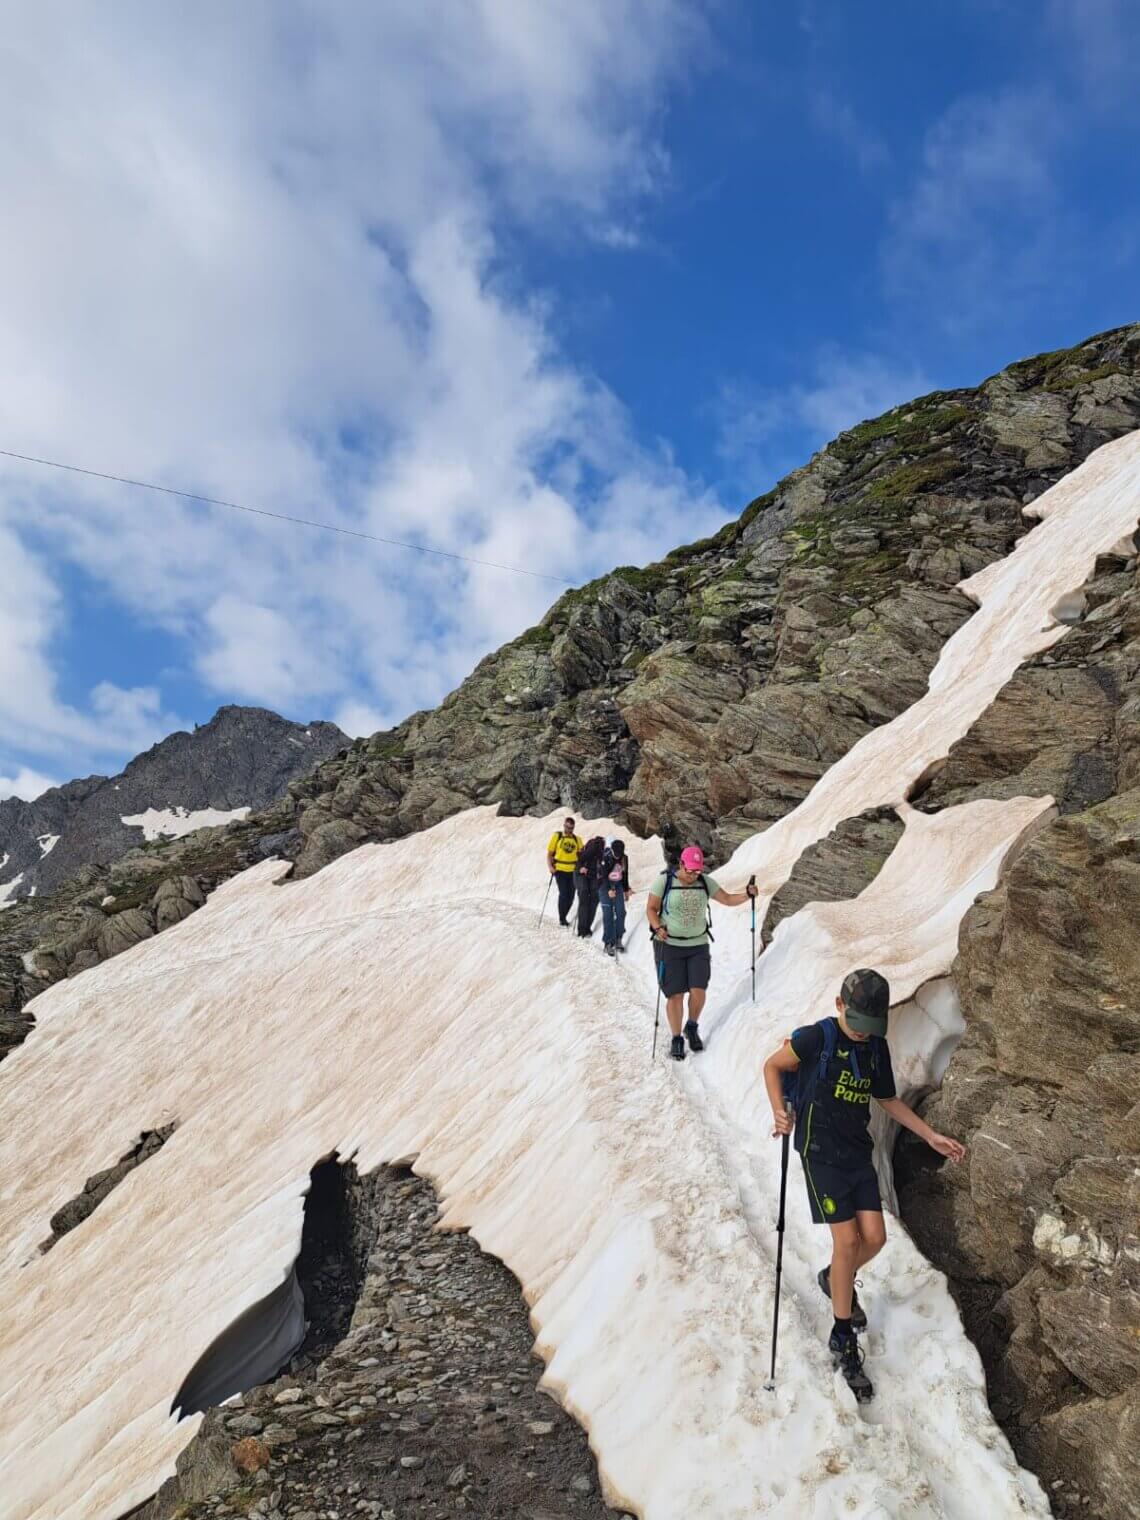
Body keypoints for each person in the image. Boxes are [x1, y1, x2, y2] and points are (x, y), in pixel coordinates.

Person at [762, 968, 966, 1402]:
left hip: (856, 1153)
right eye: (856, 1024)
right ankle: (842, 1339)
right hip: (820, 1153)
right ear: (840, 1006)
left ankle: (834, 1277)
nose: (861, 1034)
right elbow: (773, 1066)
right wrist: (780, 1110)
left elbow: (887, 1099)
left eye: (869, 1027)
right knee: (848, 1242)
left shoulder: (874, 1049)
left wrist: (930, 1135)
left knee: (875, 1237)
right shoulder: (816, 1038)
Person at [646, 844, 757, 1060]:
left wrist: (746, 894)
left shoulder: (704, 882)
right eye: (690, 871)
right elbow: (651, 908)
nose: (693, 876)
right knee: (675, 994)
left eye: (697, 871)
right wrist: (657, 926)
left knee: (699, 990)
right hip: (670, 945)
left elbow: (726, 899)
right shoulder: (665, 881)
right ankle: (677, 1038)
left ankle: (692, 1026)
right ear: (681, 864)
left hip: (698, 944)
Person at [546, 817, 582, 927]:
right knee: (564, 894)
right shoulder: (557, 836)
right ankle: (562, 918)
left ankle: (564, 915)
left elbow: (581, 855)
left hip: (573, 871)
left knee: (571, 895)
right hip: (560, 870)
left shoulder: (577, 840)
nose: (569, 830)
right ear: (564, 825)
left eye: (571, 828)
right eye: (567, 827)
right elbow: (550, 854)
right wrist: (550, 867)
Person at [600, 838, 631, 957]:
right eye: (616, 854)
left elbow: (625, 874)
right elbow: (603, 876)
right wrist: (608, 890)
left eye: (620, 854)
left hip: (617, 885)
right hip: (604, 886)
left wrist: (626, 890)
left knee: (621, 912)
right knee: (608, 914)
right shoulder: (606, 857)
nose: (617, 857)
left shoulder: (624, 858)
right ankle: (608, 942)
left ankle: (618, 938)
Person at [576, 835, 605, 937]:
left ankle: (583, 930)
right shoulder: (596, 848)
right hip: (587, 875)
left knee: (588, 902)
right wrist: (581, 868)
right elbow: (580, 858)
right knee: (590, 901)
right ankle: (584, 929)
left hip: (591, 875)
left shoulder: (599, 848)